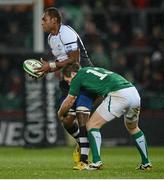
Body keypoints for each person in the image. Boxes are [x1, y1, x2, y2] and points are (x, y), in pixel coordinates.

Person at [58, 64, 152, 170]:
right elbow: (99, 94)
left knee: (92, 125)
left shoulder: (78, 76)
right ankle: (146, 163)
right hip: (133, 92)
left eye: (68, 79)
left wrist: (60, 113)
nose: (68, 82)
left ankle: (96, 162)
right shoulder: (91, 71)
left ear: (73, 73)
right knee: (133, 127)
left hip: (118, 93)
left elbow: (69, 100)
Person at [36, 7, 94, 170]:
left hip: (83, 75)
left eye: (44, 20)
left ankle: (84, 159)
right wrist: (45, 70)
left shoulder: (66, 33)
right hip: (67, 78)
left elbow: (74, 59)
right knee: (65, 118)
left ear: (54, 20)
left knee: (82, 113)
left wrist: (52, 65)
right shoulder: (50, 39)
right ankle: (81, 141)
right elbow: (62, 62)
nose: (42, 23)